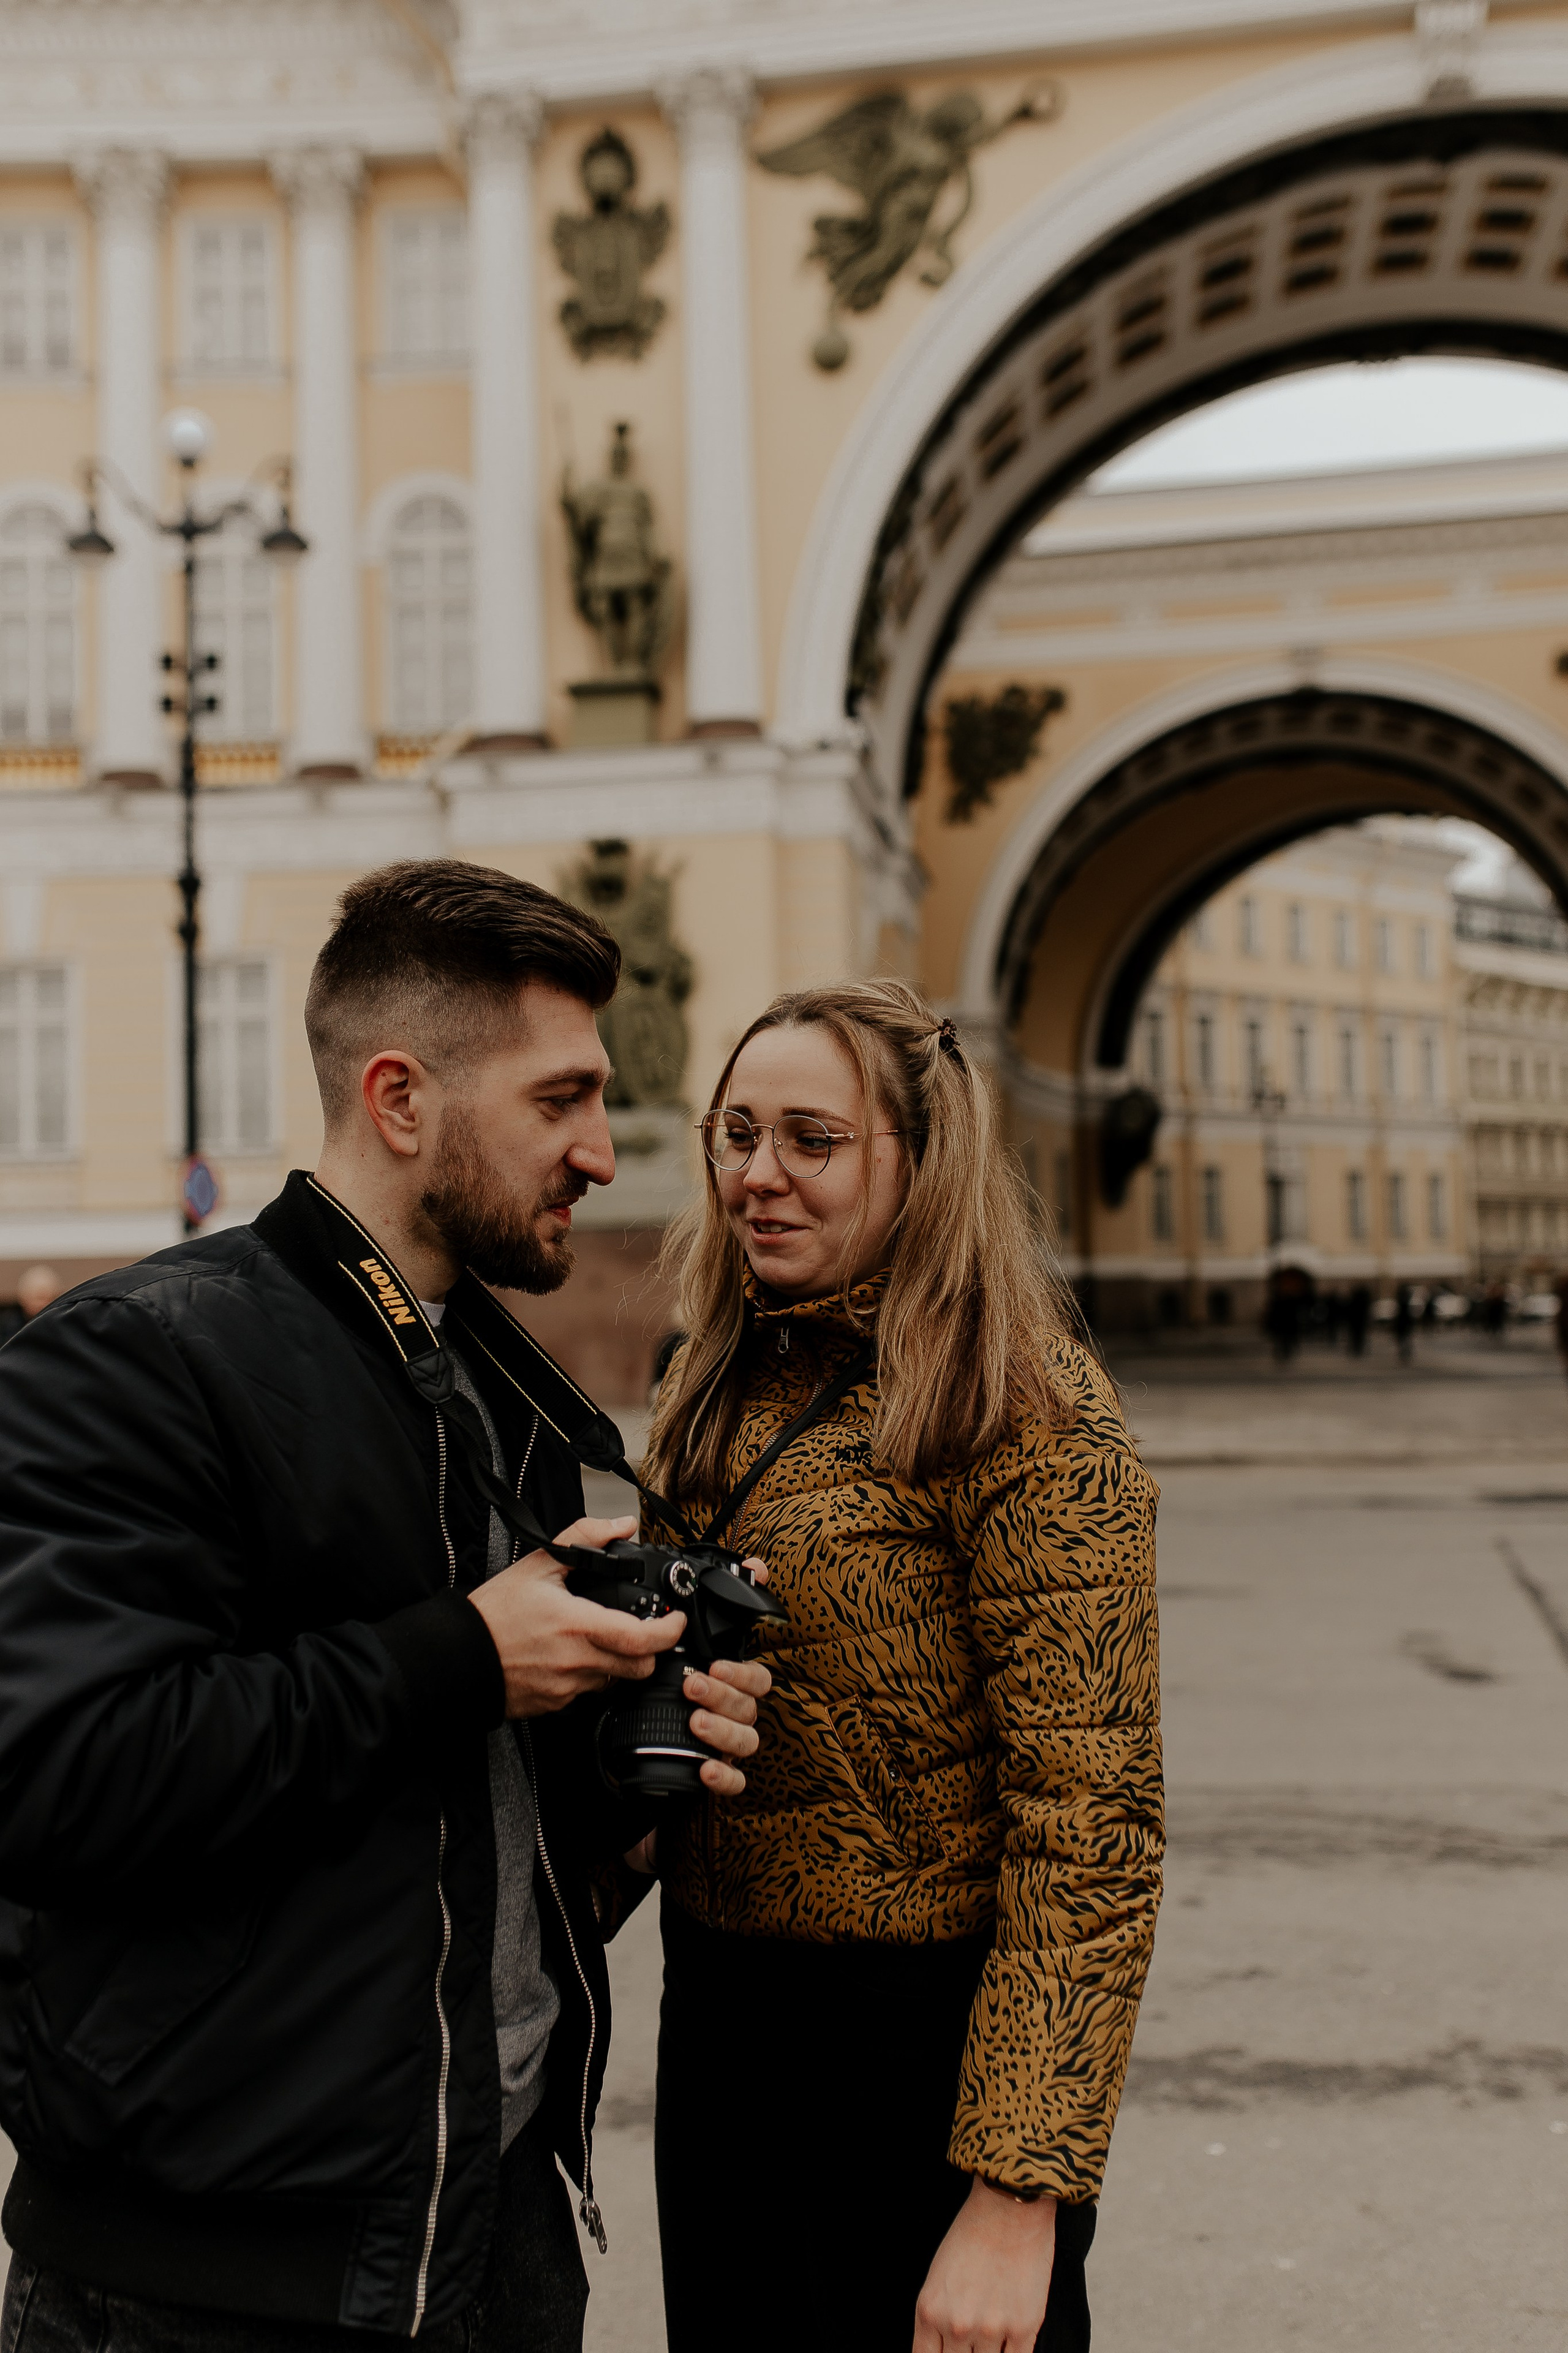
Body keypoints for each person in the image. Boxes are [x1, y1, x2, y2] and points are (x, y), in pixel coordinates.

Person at [0, 859, 769, 2353]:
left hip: (491, 2228)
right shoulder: (135, 1358)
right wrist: (466, 1656)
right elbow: (56, 1770)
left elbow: (444, 1820)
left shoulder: (500, 1392)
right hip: (210, 2286)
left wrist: (617, 1753)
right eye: (560, 1100)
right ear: (402, 1098)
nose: (605, 1152)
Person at [640, 979, 1163, 2353]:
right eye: (736, 1132)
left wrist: (1014, 2197)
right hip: (721, 2037)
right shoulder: (710, 1377)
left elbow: (1090, 1829)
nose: (758, 1175)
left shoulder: (1021, 1401)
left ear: (917, 1165)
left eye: (811, 1139)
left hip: (917, 2059)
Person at [0, 1263, 62, 1345]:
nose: (45, 1304)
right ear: (24, 1298)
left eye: (52, 1298)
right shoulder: (8, 1327)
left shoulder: (62, 1327)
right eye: (40, 1298)